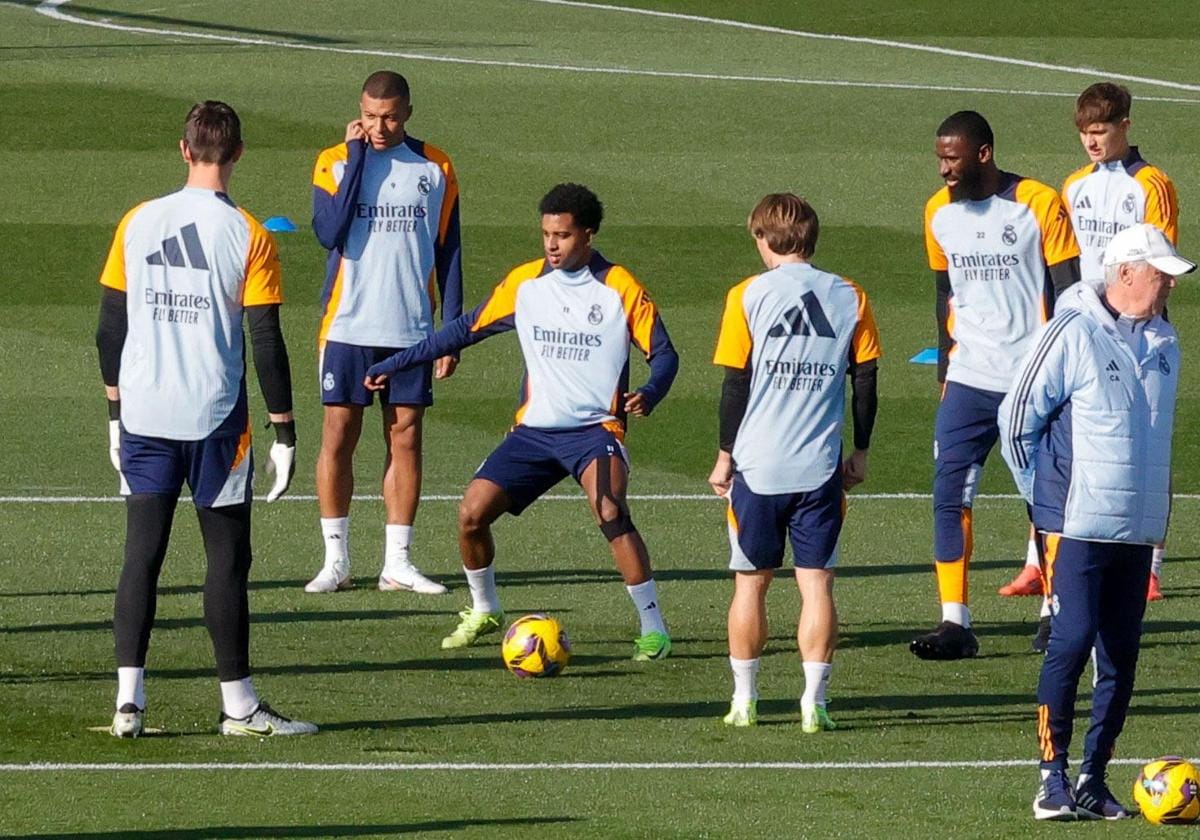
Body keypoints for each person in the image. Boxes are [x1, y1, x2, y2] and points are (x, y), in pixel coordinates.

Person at [363, 183, 679, 659]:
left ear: (588, 235)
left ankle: (654, 629)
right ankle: (485, 608)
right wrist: (396, 363)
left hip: (595, 432)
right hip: (534, 433)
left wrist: (651, 392)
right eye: (546, 234)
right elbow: (462, 330)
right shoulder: (525, 285)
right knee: (471, 514)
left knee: (610, 510)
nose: (552, 245)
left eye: (564, 235)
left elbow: (666, 354)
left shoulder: (618, 288)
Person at [96, 101, 316, 737]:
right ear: (239, 154)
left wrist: (115, 412)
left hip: (143, 412)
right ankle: (239, 707)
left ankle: (128, 705)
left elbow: (110, 327)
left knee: (142, 555)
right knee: (226, 558)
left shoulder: (138, 221)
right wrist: (285, 431)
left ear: (184, 149)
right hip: (216, 420)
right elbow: (266, 339)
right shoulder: (249, 233)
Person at [998, 223, 1192, 820]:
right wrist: (1045, 499)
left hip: (1134, 530)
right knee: (1072, 637)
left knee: (1122, 656)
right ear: (1126, 272)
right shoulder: (1072, 331)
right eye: (1159, 273)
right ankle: (1049, 778)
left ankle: (1091, 777)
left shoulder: (1167, 344)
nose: (1166, 286)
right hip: (1073, 525)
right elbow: (1015, 421)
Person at [1000, 82, 1180, 620]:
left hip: (1138, 324)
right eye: (1084, 134)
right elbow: (1065, 262)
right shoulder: (1074, 186)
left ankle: (1148, 564)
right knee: (1061, 435)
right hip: (1084, 325)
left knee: (1143, 433)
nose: (1092, 143)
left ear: (1125, 124)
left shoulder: (1152, 185)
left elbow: (1161, 259)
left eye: (1100, 132)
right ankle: (1039, 554)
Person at [911, 110, 1081, 661]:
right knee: (948, 492)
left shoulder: (1037, 203)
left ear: (982, 154)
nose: (943, 170)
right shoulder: (938, 213)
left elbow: (1069, 292)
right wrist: (944, 372)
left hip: (1032, 376)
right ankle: (954, 621)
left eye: (952, 158)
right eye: (940, 158)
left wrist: (1064, 370)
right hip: (968, 377)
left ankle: (1056, 611)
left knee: (1046, 496)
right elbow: (945, 294)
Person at [708, 194, 880, 730]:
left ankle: (745, 700)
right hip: (819, 467)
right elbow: (866, 381)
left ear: (764, 238)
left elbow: (735, 384)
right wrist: (861, 450)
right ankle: (815, 703)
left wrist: (724, 458)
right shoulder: (850, 295)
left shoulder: (746, 295)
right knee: (817, 586)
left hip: (758, 469)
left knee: (749, 584)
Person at [306, 69, 463, 596]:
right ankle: (336, 562)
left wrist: (454, 331)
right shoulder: (333, 161)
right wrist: (356, 162)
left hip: (412, 329)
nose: (379, 126)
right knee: (338, 438)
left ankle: (397, 562)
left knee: (406, 438)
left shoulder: (436, 166)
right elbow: (328, 231)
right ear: (359, 110)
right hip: (348, 325)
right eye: (371, 116)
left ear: (408, 112)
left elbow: (450, 250)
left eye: (390, 116)